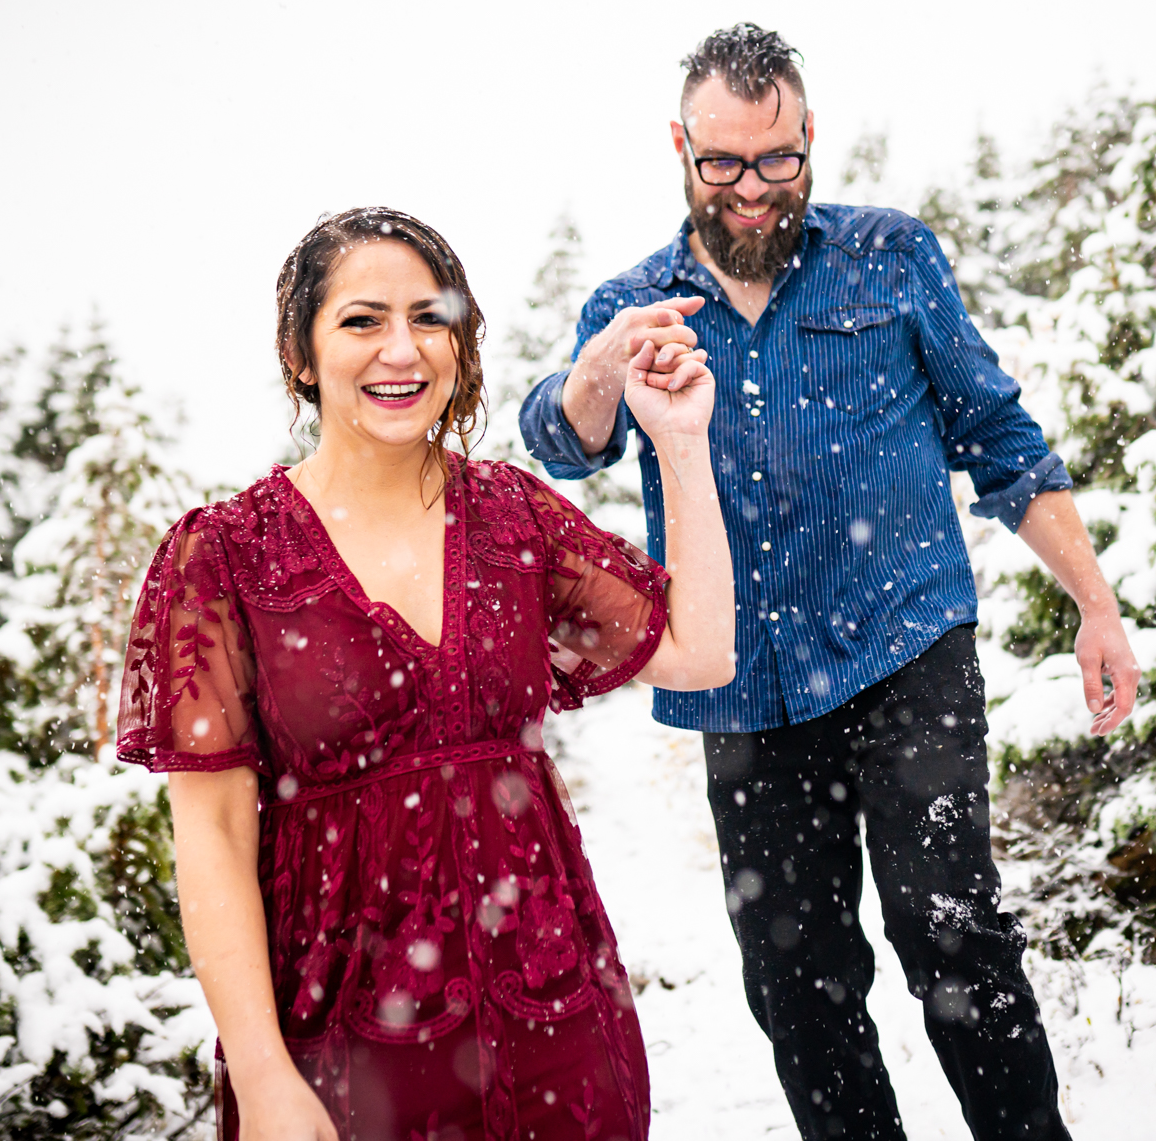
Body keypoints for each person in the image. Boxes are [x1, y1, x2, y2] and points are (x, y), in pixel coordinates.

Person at [519, 25, 1139, 1141]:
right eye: (723, 164)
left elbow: (996, 435)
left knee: (948, 926)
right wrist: (599, 364)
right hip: (741, 685)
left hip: (904, 644)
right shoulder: (637, 303)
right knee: (797, 979)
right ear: (680, 148)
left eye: (777, 160)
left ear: (810, 138)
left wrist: (1094, 603)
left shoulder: (891, 259)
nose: (752, 190)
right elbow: (564, 445)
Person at [117, 207, 732, 1141]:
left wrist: (683, 440)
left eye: (429, 317)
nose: (400, 350)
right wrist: (263, 1074)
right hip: (343, 1050)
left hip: (554, 1017)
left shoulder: (510, 515)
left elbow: (699, 649)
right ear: (301, 352)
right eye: (362, 320)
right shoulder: (229, 554)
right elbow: (210, 840)